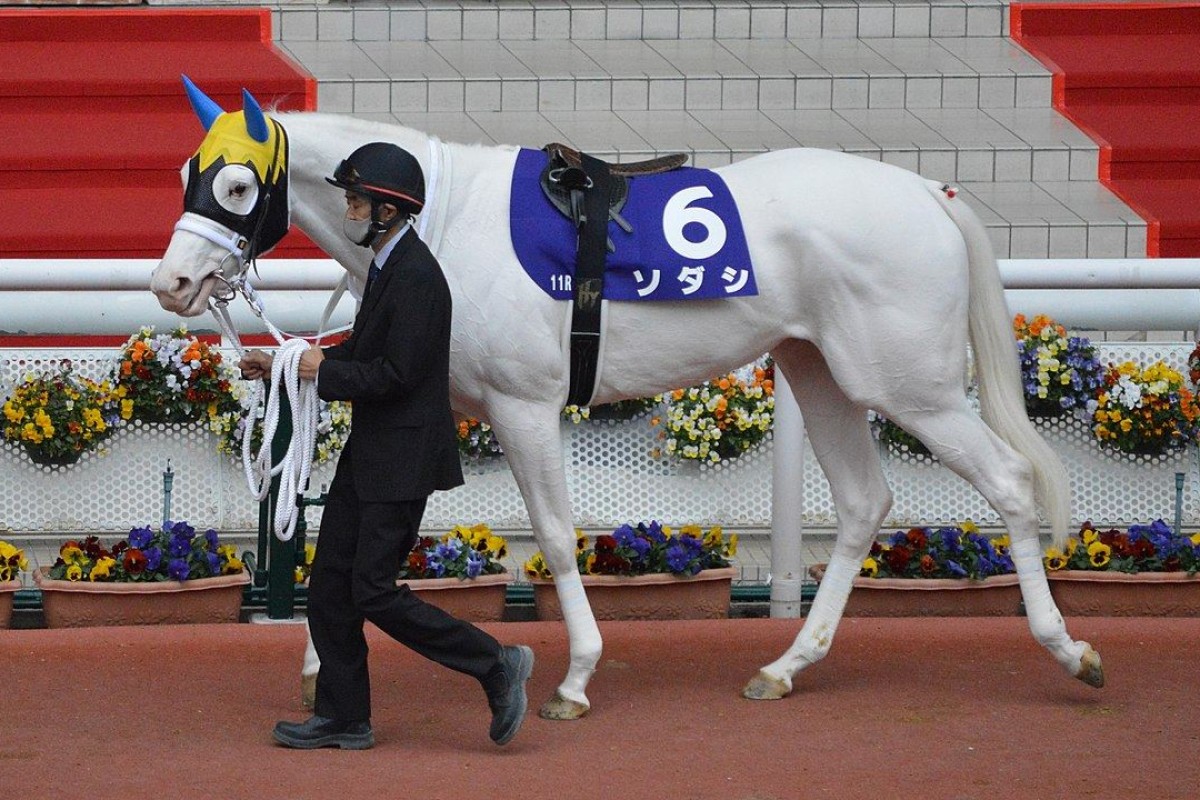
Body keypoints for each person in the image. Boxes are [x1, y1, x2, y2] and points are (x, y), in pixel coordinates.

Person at [240, 142, 533, 750]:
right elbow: (364, 355)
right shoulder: (387, 267)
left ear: (388, 211)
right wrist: (285, 364)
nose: (348, 210)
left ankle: (494, 662)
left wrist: (319, 370)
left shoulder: (419, 276)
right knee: (328, 588)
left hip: (401, 461)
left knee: (371, 590)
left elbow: (396, 374)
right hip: (373, 455)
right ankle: (344, 716)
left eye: (356, 201)